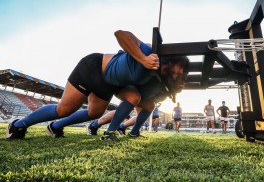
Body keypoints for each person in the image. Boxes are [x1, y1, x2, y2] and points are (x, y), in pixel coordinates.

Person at [6, 30, 189, 140]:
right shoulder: (149, 51)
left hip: (109, 84)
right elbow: (120, 34)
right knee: (63, 108)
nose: (181, 74)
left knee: (96, 112)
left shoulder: (158, 75)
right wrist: (143, 58)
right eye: (180, 70)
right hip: (92, 68)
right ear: (171, 61)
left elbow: (148, 96)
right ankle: (18, 124)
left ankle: (55, 127)